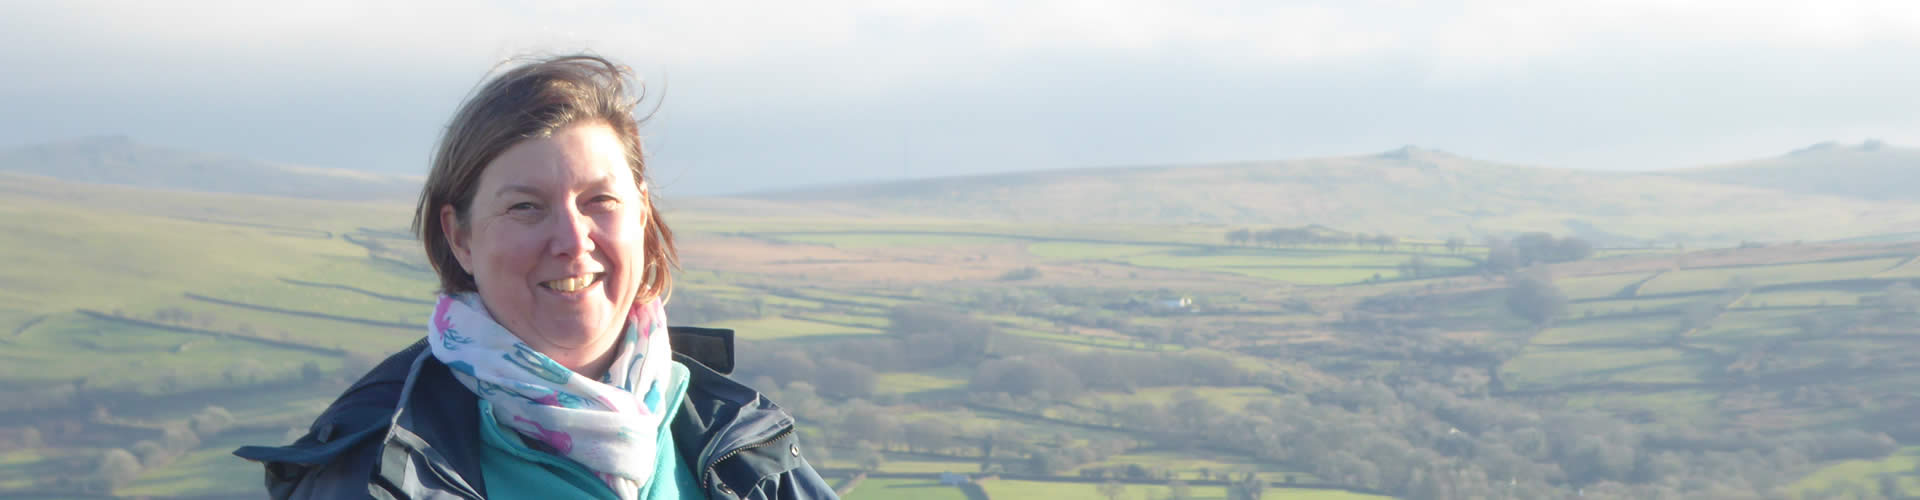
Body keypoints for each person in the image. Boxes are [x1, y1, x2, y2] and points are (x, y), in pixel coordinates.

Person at [235, 54, 837, 499]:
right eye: (525, 206)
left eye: (600, 200)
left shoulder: (742, 441)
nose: (573, 241)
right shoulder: (373, 472)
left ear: (643, 215)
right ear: (460, 236)